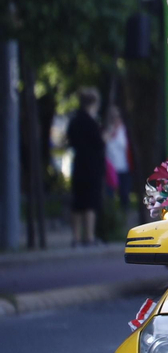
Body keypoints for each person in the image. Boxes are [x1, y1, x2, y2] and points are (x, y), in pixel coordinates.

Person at [67, 89, 106, 246]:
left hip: (78, 164)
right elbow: (99, 142)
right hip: (92, 166)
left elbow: (70, 140)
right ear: (93, 103)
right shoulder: (92, 122)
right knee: (90, 201)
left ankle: (76, 237)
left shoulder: (74, 121)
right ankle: (89, 236)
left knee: (78, 201)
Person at [103, 105, 131, 212]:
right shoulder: (107, 130)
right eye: (112, 117)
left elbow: (124, 146)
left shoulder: (123, 130)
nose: (115, 119)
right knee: (110, 194)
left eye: (117, 116)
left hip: (123, 166)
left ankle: (124, 213)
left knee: (124, 194)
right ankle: (111, 213)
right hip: (110, 168)